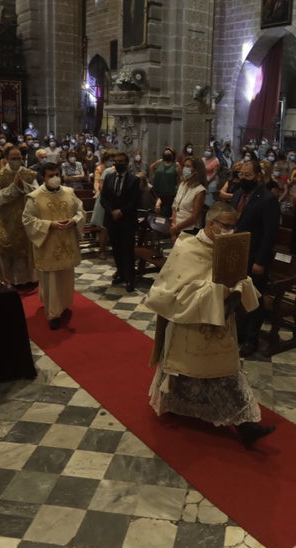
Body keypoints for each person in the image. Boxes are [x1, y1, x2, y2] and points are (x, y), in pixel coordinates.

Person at [144, 202, 275, 448]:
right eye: (226, 226)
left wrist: (238, 286)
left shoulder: (229, 248)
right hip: (189, 324)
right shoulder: (187, 248)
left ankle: (246, 424)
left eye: (234, 227)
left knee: (225, 372)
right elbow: (175, 292)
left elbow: (237, 277)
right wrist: (219, 289)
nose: (231, 231)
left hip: (221, 323)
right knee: (185, 370)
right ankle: (174, 405)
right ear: (211, 224)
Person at [22, 162, 85, 329]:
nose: (55, 178)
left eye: (57, 174)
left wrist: (74, 221)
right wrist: (50, 225)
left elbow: (80, 212)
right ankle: (52, 314)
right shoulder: (34, 197)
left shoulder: (69, 193)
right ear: (43, 177)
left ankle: (62, 306)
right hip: (48, 244)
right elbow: (28, 220)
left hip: (67, 242)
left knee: (65, 277)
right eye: (51, 175)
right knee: (50, 280)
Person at [231, 157, 280, 356]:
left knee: (255, 299)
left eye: (248, 175)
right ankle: (240, 332)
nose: (243, 178)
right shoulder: (238, 195)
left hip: (255, 256)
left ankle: (252, 339)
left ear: (258, 177)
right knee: (238, 295)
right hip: (237, 254)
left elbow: (270, 234)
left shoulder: (268, 199)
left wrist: (260, 261)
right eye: (241, 174)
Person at [0, 147, 39, 290]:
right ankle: (8, 278)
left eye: (19, 158)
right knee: (7, 247)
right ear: (6, 158)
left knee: (25, 249)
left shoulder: (29, 174)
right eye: (14, 158)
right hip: (7, 219)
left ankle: (29, 279)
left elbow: (37, 192)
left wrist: (22, 185)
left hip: (26, 218)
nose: (17, 161)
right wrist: (13, 188)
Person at [101, 152, 141, 292]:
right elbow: (103, 198)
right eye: (116, 161)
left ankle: (130, 278)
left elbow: (135, 201)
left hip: (127, 220)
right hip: (112, 219)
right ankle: (121, 273)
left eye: (121, 161)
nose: (118, 164)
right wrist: (112, 211)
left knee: (128, 250)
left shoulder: (134, 180)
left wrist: (121, 211)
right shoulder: (109, 177)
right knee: (116, 249)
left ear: (126, 163)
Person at [171, 156, 207, 241]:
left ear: (195, 171)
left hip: (189, 230)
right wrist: (174, 226)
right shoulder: (182, 185)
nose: (184, 168)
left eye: (188, 166)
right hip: (176, 227)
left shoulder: (200, 190)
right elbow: (175, 206)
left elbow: (194, 217)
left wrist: (177, 228)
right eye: (184, 165)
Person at [149, 147, 180, 217]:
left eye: (169, 152)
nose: (167, 153)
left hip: (169, 193)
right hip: (157, 191)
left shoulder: (176, 165)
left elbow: (180, 178)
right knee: (155, 213)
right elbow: (151, 167)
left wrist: (177, 187)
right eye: (166, 152)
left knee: (166, 214)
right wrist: (154, 175)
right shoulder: (160, 162)